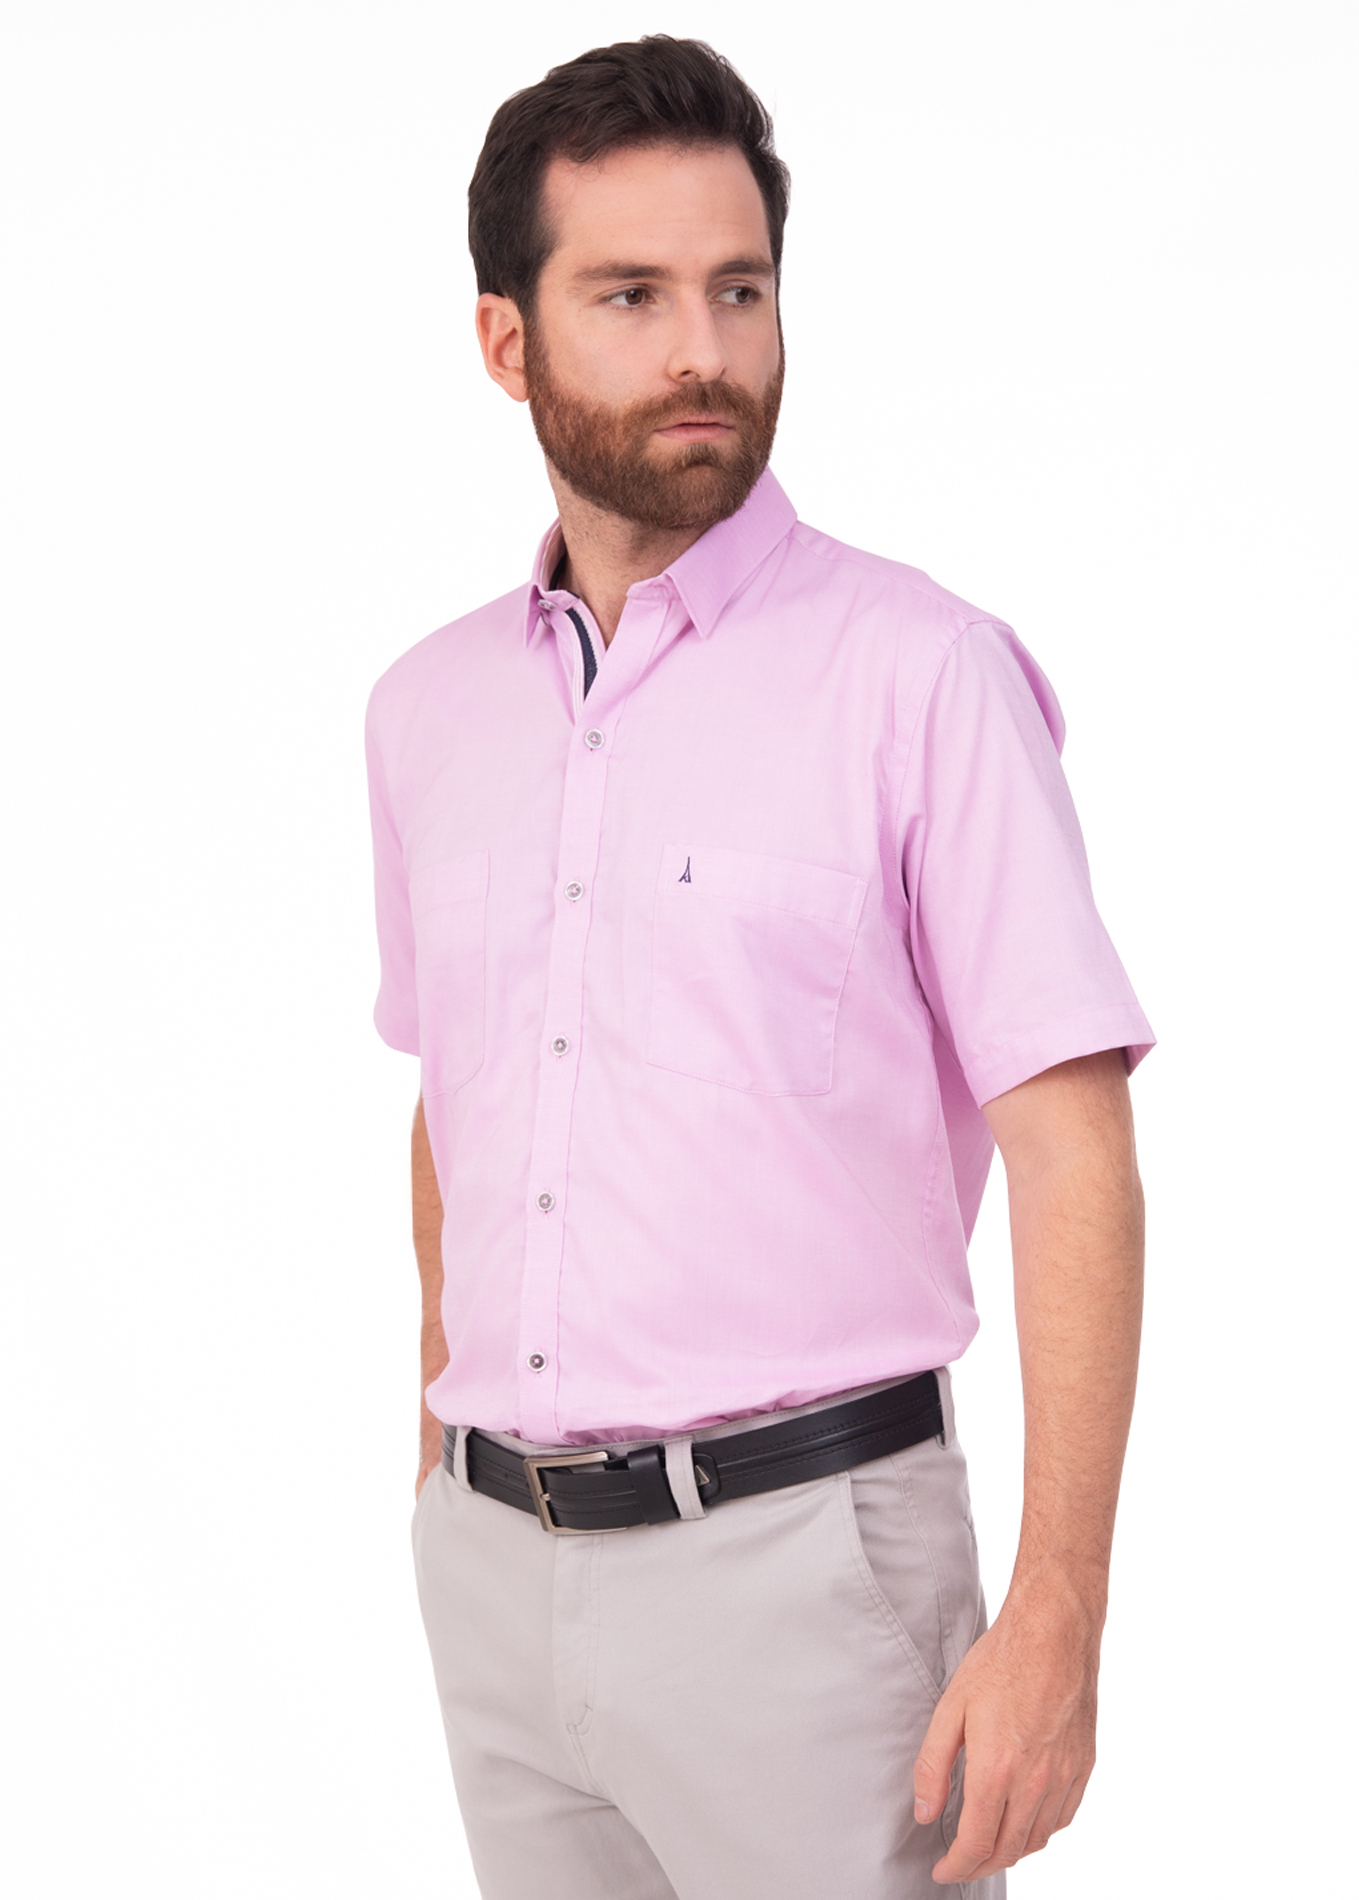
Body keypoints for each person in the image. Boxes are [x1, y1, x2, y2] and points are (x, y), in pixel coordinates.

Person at [364, 35, 1152, 1900]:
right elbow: (454, 1104)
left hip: (808, 1580)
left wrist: (1060, 1609)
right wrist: (435, 1467)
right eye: (629, 296)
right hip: (496, 1574)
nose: (702, 350)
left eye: (739, 289)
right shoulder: (426, 711)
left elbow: (1075, 1154)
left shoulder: (921, 674)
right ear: (506, 341)